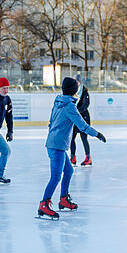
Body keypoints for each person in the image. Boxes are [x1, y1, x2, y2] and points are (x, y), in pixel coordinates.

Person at [38, 77, 106, 220]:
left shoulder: (58, 101)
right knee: (56, 177)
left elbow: (51, 121)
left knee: (68, 170)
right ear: (74, 90)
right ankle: (44, 204)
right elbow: (82, 126)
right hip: (56, 145)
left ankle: (63, 199)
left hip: (56, 143)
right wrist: (97, 134)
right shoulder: (69, 106)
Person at [70, 75, 92, 167]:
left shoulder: (84, 92)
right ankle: (73, 157)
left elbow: (85, 105)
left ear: (80, 82)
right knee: (71, 138)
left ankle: (88, 158)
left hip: (83, 118)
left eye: (77, 81)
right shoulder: (71, 92)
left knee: (84, 138)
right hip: (75, 119)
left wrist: (76, 112)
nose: (76, 83)